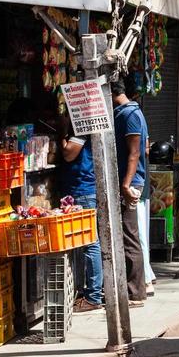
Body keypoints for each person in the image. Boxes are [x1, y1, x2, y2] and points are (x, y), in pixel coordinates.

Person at [113, 78, 153, 302]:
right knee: (128, 235)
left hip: (131, 182)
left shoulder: (129, 115)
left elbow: (135, 152)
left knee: (130, 236)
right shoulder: (127, 113)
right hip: (128, 180)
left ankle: (135, 292)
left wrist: (126, 185)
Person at [61, 108, 103, 314]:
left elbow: (69, 154)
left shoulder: (81, 130)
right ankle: (90, 292)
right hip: (83, 189)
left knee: (90, 242)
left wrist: (62, 136)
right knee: (88, 242)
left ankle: (93, 296)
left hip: (84, 190)